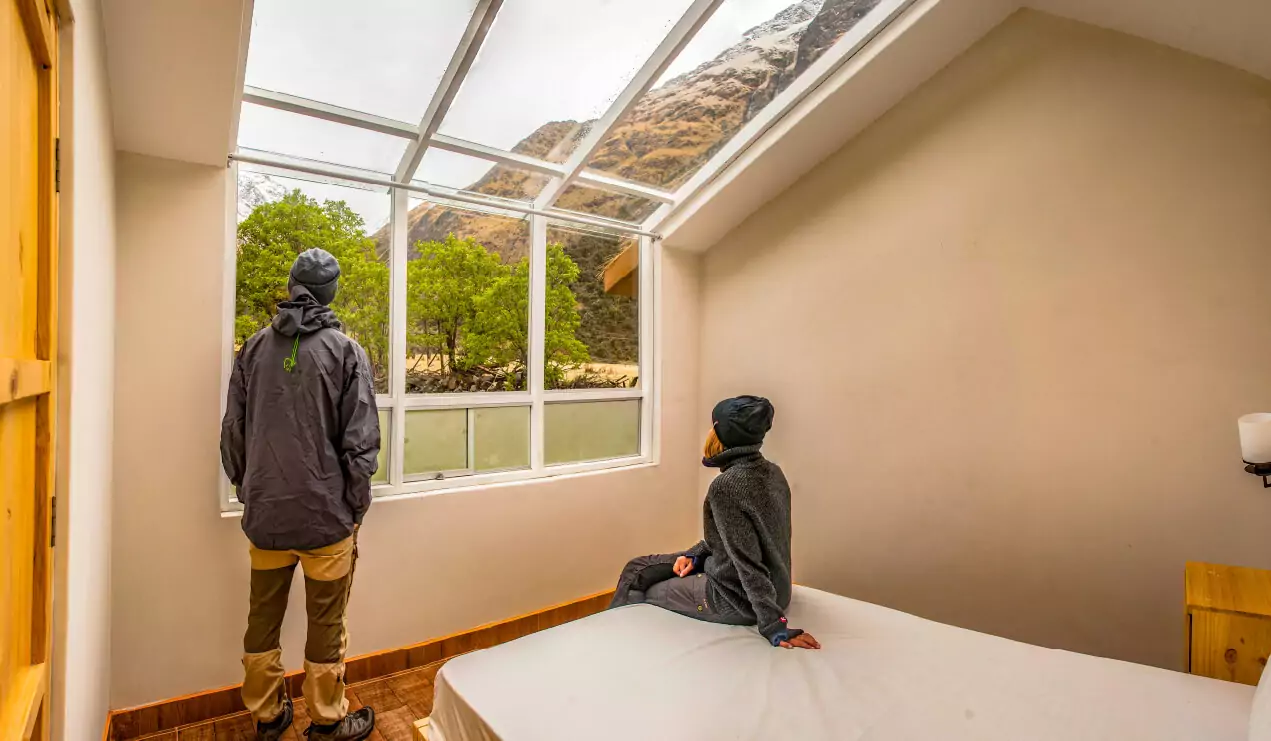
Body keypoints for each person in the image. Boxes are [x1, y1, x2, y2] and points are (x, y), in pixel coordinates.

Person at [220, 248, 381, 741]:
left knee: (262, 618)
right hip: (325, 519)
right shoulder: (346, 351)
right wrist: (354, 507)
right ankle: (328, 722)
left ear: (292, 289)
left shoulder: (251, 349)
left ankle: (267, 717)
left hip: (266, 517)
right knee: (326, 624)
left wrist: (251, 488)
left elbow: (233, 432)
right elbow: (361, 442)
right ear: (331, 293)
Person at [610, 396, 820, 650]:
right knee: (637, 568)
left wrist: (774, 625)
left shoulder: (727, 486)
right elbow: (740, 538)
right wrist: (694, 555)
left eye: (714, 425)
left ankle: (614, 643)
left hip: (733, 598)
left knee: (645, 588)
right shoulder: (772, 472)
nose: (709, 430)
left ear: (723, 433)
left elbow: (748, 562)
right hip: (776, 589)